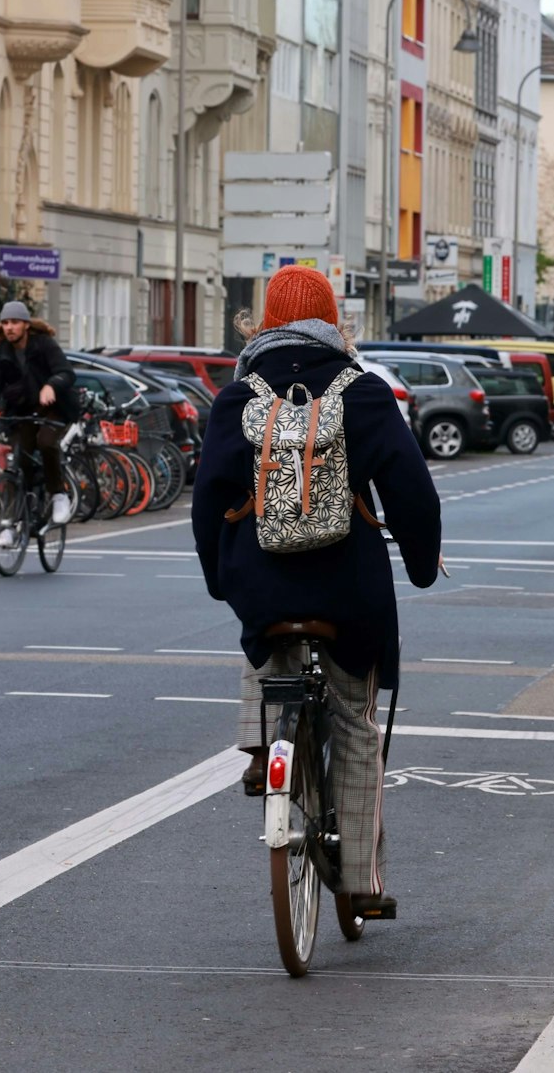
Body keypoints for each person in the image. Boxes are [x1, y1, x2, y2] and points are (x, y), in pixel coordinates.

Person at [191, 265, 442, 920]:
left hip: (263, 585)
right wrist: (420, 565)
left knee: (262, 639)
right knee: (355, 719)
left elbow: (208, 500)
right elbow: (413, 494)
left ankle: (260, 749)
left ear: (262, 323)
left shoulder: (236, 397)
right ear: (335, 323)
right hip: (348, 590)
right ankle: (359, 880)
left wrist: (222, 579)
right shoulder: (364, 393)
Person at [0, 301, 78, 534]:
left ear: (26, 325)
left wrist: (51, 385)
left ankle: (58, 495)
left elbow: (66, 372)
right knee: (18, 460)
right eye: (5, 323)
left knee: (46, 443)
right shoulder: (2, 353)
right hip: (23, 411)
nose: (9, 327)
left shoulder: (44, 345)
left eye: (15, 322)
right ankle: (12, 522)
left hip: (54, 408)